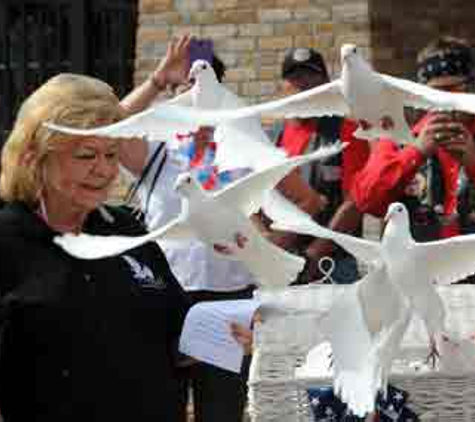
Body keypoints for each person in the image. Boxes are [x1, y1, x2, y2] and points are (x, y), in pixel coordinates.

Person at [0, 72, 253, 422]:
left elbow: (176, 333)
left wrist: (224, 333)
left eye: (111, 154)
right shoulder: (8, 243)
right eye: (87, 155)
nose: (103, 170)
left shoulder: (126, 229)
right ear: (34, 157)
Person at [120, 38, 256, 422]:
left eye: (203, 89)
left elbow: (292, 207)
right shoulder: (155, 147)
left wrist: (262, 256)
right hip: (164, 294)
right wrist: (158, 80)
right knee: (160, 406)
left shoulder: (242, 148)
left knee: (222, 411)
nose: (194, 99)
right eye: (185, 89)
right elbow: (107, 126)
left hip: (226, 299)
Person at [259, 47, 370, 284]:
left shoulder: (348, 133)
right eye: (294, 77)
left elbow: (355, 203)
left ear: (325, 84)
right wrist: (267, 243)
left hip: (332, 264)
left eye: (310, 76)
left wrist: (314, 254)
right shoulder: (270, 138)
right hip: (281, 262)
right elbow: (257, 201)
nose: (303, 84)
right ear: (283, 88)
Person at [350, 36, 475, 248]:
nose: (443, 101)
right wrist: (415, 152)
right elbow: (367, 201)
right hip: (418, 270)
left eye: (453, 89)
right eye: (433, 92)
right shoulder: (400, 138)